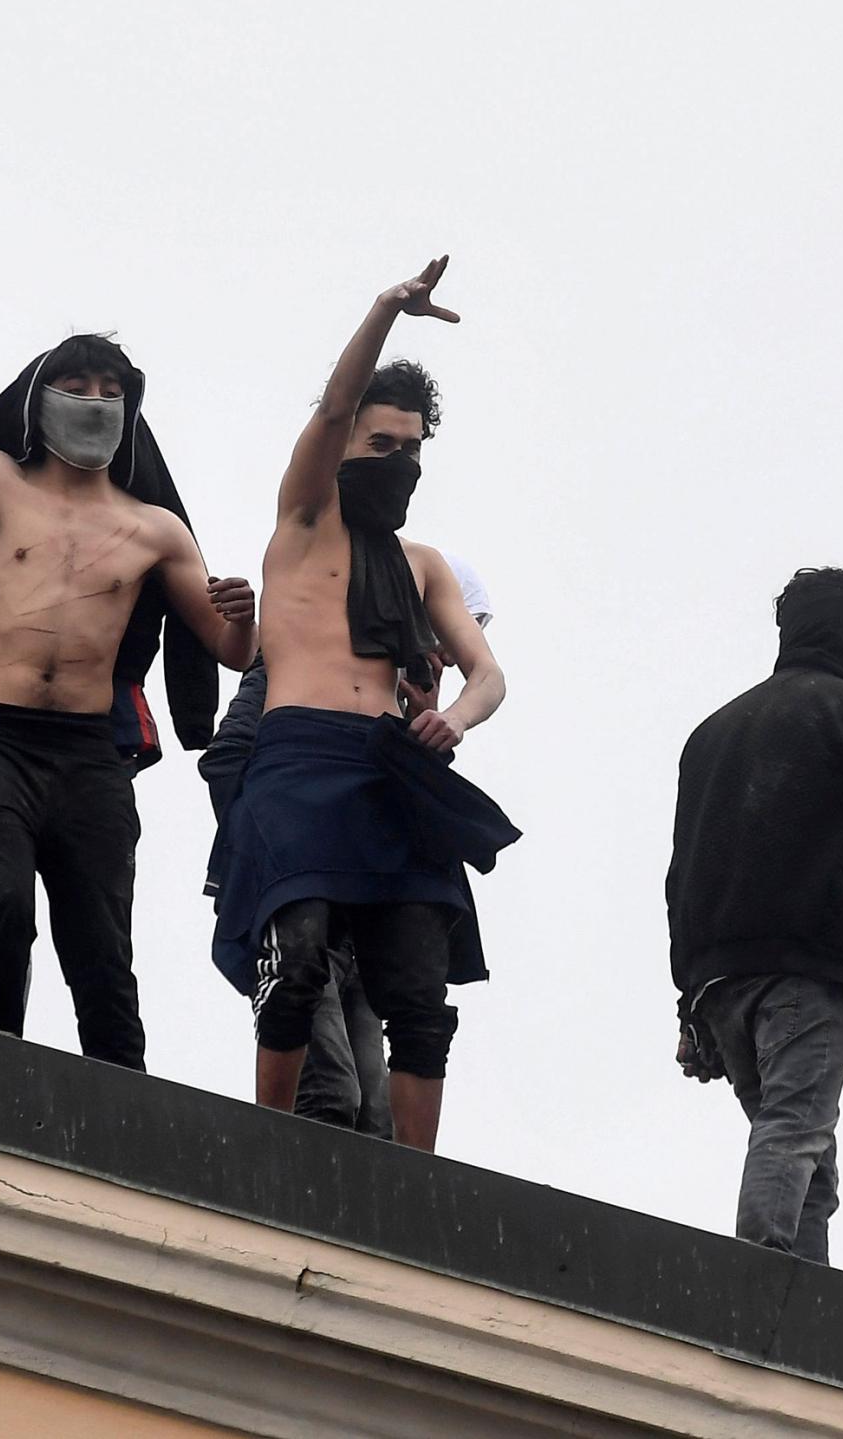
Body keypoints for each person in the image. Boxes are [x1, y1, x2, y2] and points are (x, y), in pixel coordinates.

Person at [0, 331, 258, 1069]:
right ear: (40, 395)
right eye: (78, 384)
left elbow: (233, 649)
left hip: (91, 753)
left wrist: (245, 610)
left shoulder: (155, 527)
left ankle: (123, 1108)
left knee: (101, 946)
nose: (94, 401)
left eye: (110, 389)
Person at [217, 260, 513, 1154]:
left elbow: (489, 674)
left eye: (414, 448)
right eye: (384, 445)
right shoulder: (302, 521)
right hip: (299, 756)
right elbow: (335, 404)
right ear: (347, 445)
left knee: (420, 990)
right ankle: (272, 1146)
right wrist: (385, 311)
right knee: (297, 954)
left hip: (389, 769)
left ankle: (415, 1179)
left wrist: (453, 718)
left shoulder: (422, 564)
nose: (402, 461)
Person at [665, 568, 843, 1266]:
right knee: (796, 1129)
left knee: (802, 1147)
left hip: (721, 982)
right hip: (806, 975)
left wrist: (688, 1006)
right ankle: (761, 1279)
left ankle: (806, 1291)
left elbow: (682, 873)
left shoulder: (711, 731)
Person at [200, 556, 496, 1139]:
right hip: (306, 884)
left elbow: (409, 793)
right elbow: (230, 757)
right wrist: (273, 863)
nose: (438, 657)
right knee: (329, 1087)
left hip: (371, 897)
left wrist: (426, 719)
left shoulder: (396, 688)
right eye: (435, 640)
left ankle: (375, 1209)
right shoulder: (294, 665)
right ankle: (282, 1176)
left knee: (377, 1111)